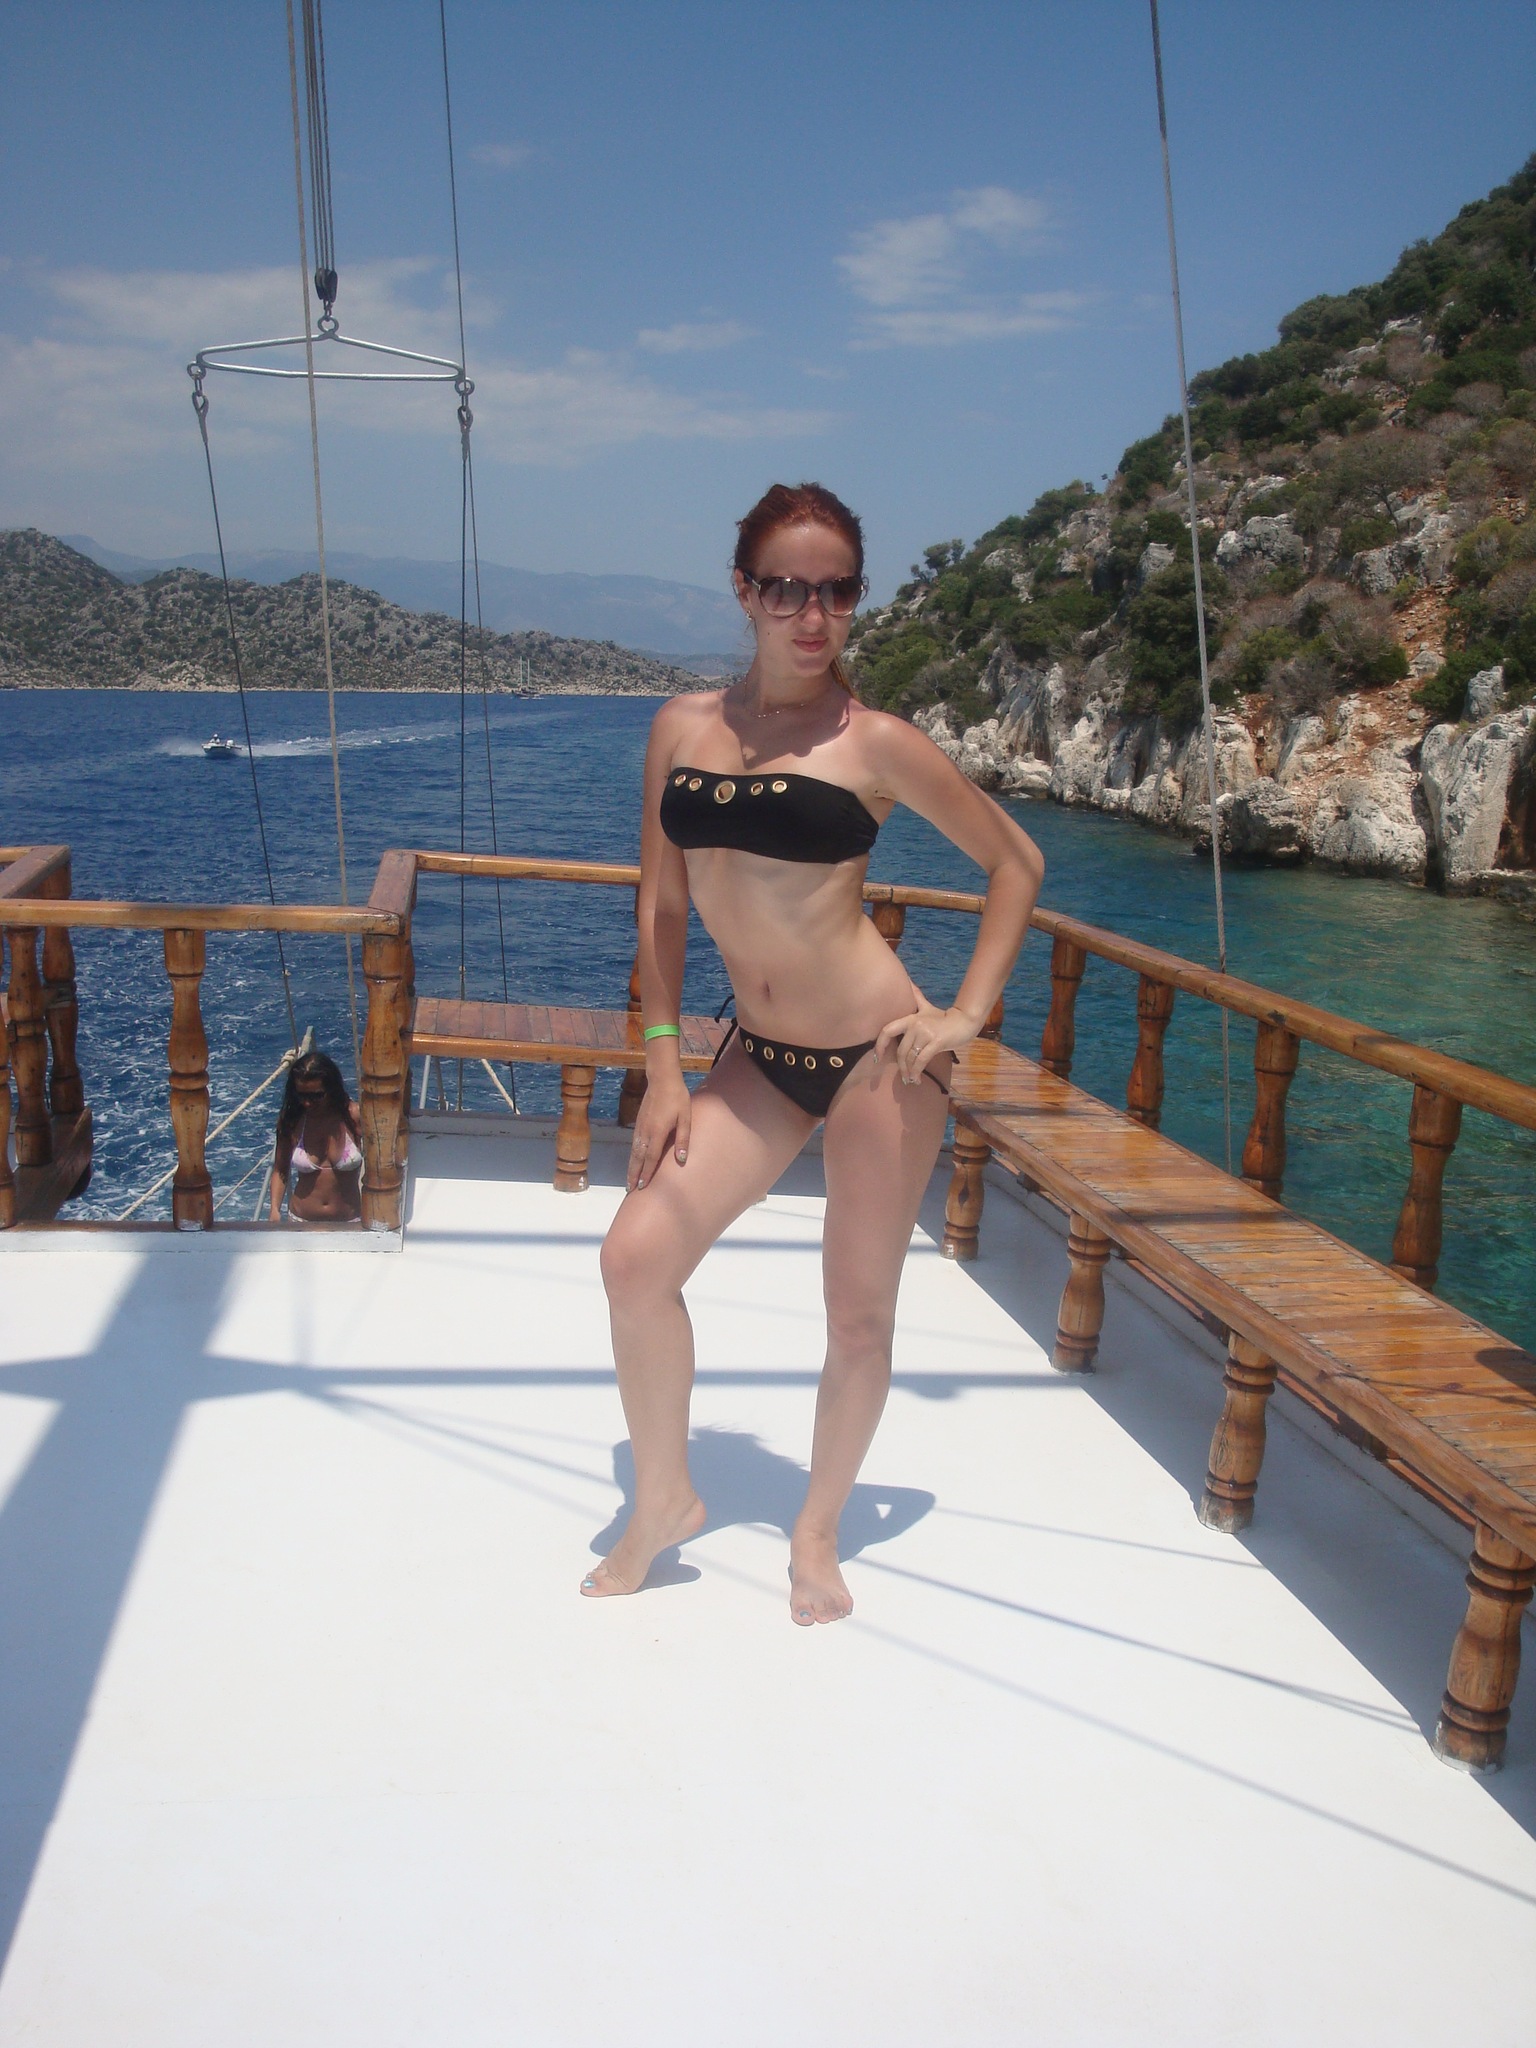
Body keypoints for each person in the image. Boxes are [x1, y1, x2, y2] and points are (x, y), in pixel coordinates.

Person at [587, 482, 1044, 1624]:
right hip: (757, 1056)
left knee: (857, 1314)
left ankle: (818, 1530)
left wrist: (965, 1013)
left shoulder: (874, 743)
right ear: (744, 590)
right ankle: (664, 1497)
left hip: (879, 1061)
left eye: (837, 592)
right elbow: (660, 908)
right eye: (787, 588)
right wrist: (662, 1068)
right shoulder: (680, 728)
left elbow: (1016, 863)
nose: (813, 614)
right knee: (635, 1259)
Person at [267, 1048, 364, 1224]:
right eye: (301, 1095)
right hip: (300, 1221)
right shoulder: (292, 1121)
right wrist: (274, 1210)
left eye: (316, 1096)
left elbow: (379, 1165)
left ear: (331, 1089)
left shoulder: (354, 1116)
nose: (307, 1103)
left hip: (350, 1223)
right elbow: (280, 1169)